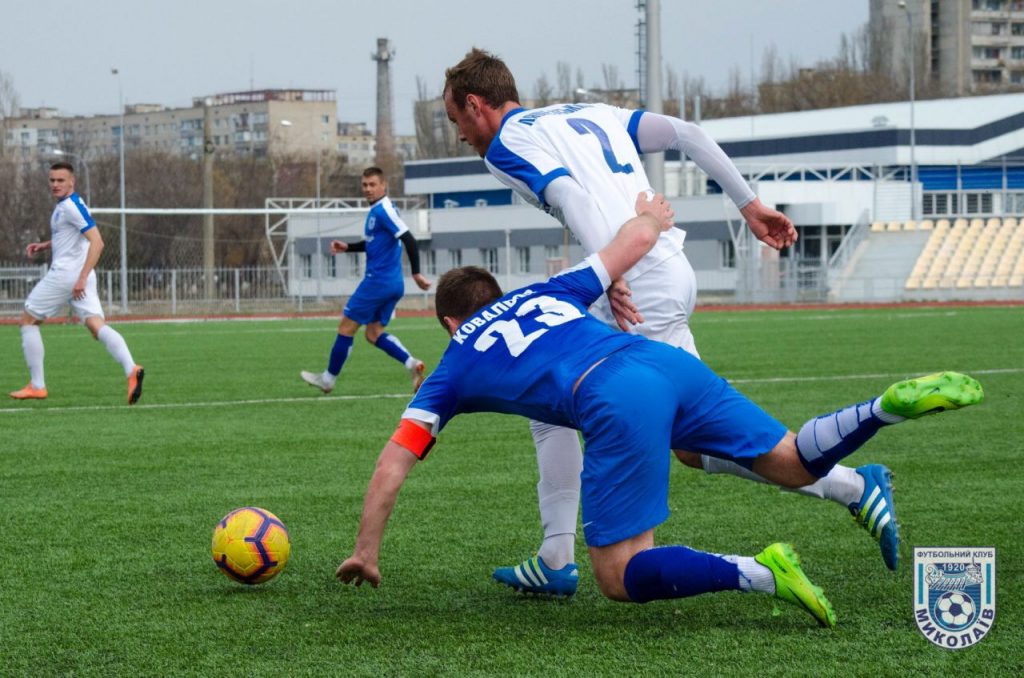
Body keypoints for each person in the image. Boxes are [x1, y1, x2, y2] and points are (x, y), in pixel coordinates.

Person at [335, 193, 983, 629]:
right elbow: (632, 243)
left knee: (617, 576)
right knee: (789, 460)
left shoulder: (455, 364)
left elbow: (394, 462)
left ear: (450, 321)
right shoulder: (548, 291)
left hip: (613, 396)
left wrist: (366, 549)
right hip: (663, 362)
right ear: (497, 293)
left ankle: (759, 572)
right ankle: (881, 410)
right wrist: (649, 211)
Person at [442, 48, 897, 593]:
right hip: (667, 268)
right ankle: (555, 556)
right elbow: (687, 132)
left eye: (455, 122)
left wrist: (609, 268)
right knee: (583, 411)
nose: (460, 137)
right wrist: (749, 205)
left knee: (683, 432)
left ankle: (850, 486)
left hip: (637, 282)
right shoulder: (584, 112)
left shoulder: (505, 145)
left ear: (475, 105)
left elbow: (569, 195)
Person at [9, 162, 144, 405]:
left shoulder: (70, 206)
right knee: (95, 326)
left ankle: (37, 385)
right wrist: (46, 245)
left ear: (72, 182)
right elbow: (71, 236)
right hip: (77, 276)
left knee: (28, 321)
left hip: (68, 275)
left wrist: (81, 277)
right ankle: (131, 369)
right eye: (52, 180)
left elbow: (97, 242)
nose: (55, 185)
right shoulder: (70, 206)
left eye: (60, 180)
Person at [301, 167, 432, 394]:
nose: (368, 189)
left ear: (384, 186)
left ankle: (328, 379)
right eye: (365, 185)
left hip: (377, 283)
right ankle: (412, 364)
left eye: (372, 184)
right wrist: (349, 247)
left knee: (345, 328)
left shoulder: (384, 210)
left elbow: (409, 239)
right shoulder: (379, 212)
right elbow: (374, 243)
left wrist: (417, 273)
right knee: (373, 334)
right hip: (391, 284)